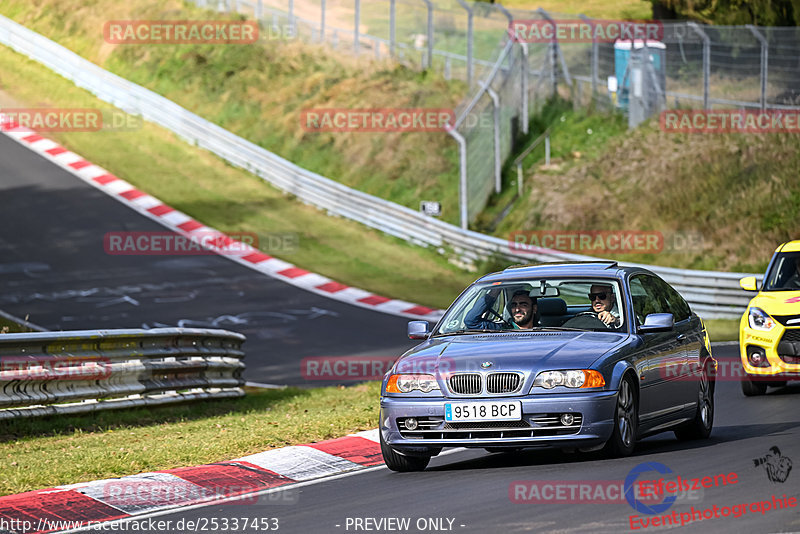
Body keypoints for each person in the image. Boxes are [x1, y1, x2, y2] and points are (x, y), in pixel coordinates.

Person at [464, 288, 538, 330]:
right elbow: (471, 321)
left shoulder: (545, 332)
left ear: (534, 308)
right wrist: (496, 290)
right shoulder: (501, 330)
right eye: (514, 305)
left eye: (523, 305)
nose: (517, 309)